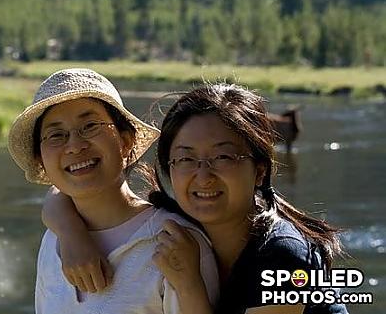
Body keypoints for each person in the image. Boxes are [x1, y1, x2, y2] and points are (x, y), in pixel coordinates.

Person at [44, 82, 348, 314]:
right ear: (169, 168)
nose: (203, 176)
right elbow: (62, 193)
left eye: (223, 157)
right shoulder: (184, 218)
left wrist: (189, 283)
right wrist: (72, 235)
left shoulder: (284, 257)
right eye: (186, 159)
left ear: (259, 170)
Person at [8, 68, 219, 314]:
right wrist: (69, 233)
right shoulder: (54, 240)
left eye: (89, 126)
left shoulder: (176, 243)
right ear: (40, 159)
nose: (75, 145)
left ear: (126, 140)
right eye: (56, 135)